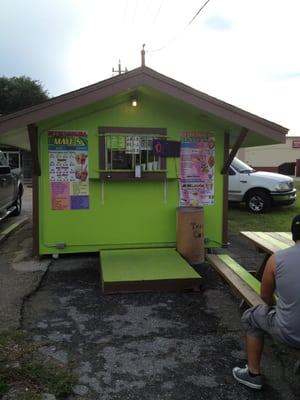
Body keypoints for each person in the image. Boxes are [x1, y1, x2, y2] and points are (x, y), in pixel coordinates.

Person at [232, 215, 300, 389]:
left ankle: (252, 374)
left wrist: (277, 307)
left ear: (293, 235)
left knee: (251, 316)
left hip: (290, 333)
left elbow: (265, 296)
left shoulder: (277, 258)